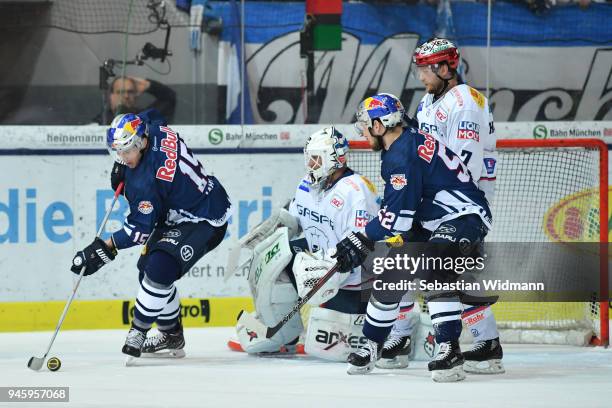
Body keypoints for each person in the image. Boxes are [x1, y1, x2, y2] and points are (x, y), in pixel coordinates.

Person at [331, 93, 493, 382]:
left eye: (365, 125)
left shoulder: (401, 155)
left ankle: (449, 349)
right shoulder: (403, 145)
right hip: (431, 220)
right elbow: (401, 223)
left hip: (463, 216)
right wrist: (374, 242)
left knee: (436, 267)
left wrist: (360, 237)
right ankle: (371, 345)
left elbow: (397, 220)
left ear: (379, 125)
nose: (363, 132)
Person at [231, 126, 406, 362]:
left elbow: (360, 248)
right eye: (309, 158)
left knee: (335, 343)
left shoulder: (355, 192)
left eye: (316, 158)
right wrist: (272, 229)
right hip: (322, 267)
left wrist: (321, 272)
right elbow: (294, 220)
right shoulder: (307, 184)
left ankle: (378, 329)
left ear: (334, 159)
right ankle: (283, 332)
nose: (310, 164)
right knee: (275, 255)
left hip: (354, 284)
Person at [70, 109, 231, 359]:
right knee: (146, 271)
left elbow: (138, 232)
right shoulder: (152, 128)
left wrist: (105, 246)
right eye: (117, 152)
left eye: (126, 151)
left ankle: (138, 331)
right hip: (184, 208)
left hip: (204, 218)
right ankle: (171, 335)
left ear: (139, 143)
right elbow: (154, 113)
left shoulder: (143, 183)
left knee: (158, 269)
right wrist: (123, 165)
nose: (122, 157)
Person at [413, 37, 504, 374]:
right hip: (442, 203)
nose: (421, 75)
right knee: (460, 277)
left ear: (447, 67)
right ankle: (488, 344)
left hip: (464, 204)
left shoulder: (464, 102)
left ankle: (451, 347)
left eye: (426, 68)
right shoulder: (428, 101)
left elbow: (462, 168)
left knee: (442, 268)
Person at [93, 76, 177, 125]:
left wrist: (148, 85)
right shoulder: (101, 121)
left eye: (130, 92)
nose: (126, 96)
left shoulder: (145, 118)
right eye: (121, 92)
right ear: (111, 96)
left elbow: (169, 98)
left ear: (136, 96)